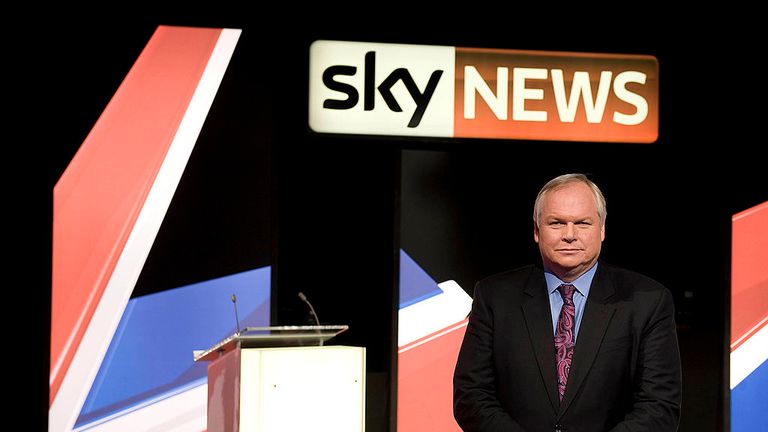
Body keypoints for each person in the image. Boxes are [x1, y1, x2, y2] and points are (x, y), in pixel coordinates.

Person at [453, 173, 681, 432]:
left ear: (602, 229)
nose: (569, 235)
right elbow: (471, 396)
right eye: (556, 223)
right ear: (537, 231)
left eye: (583, 223)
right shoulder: (495, 296)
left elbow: (659, 406)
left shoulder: (647, 301)